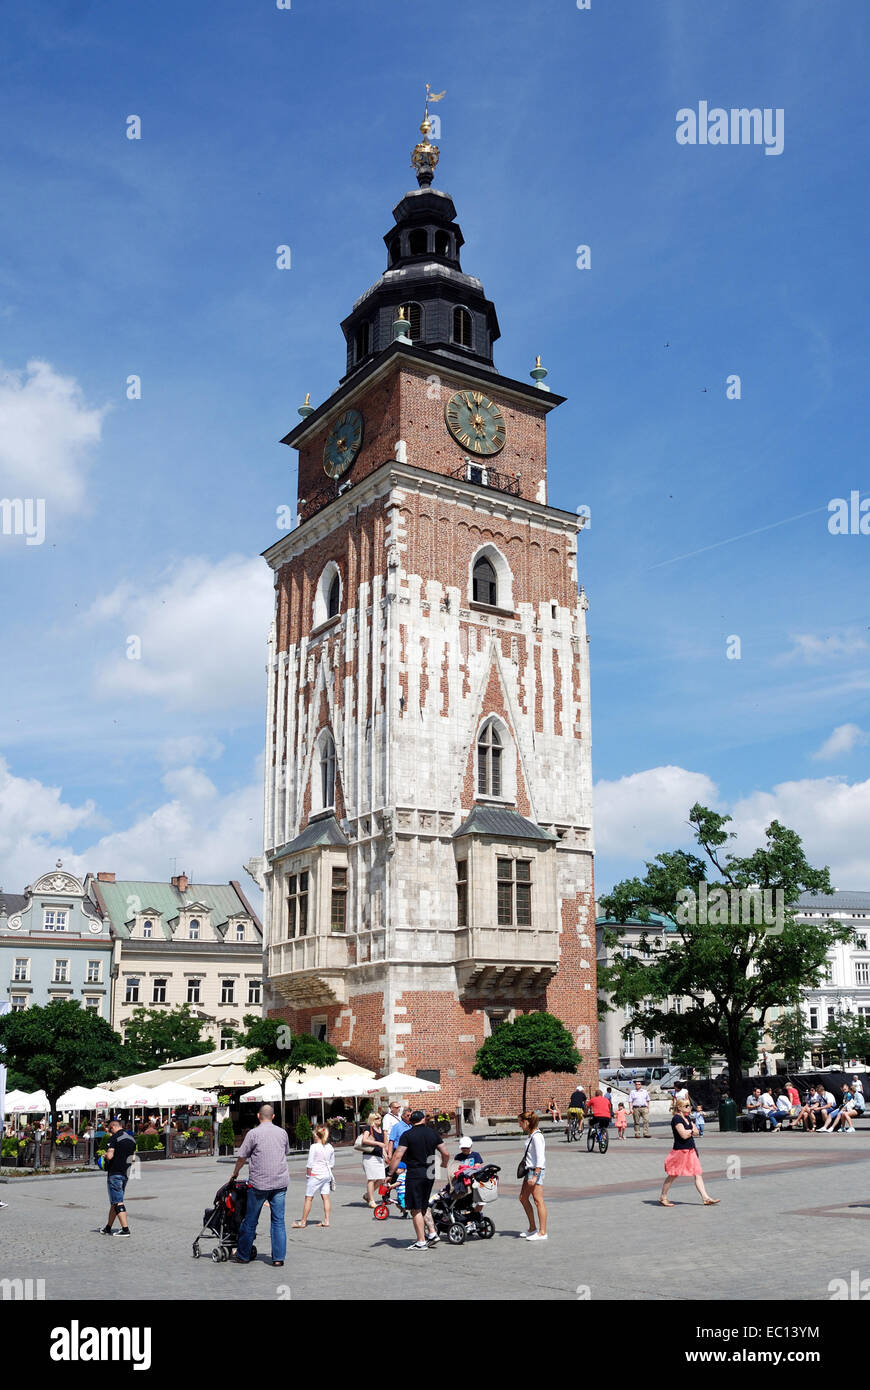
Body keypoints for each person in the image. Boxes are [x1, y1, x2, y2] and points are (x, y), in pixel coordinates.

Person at [229, 1103, 290, 1267]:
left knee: (250, 1220)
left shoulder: (253, 1134)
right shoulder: (282, 1132)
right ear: (274, 1117)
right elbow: (285, 1152)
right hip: (280, 1182)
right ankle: (278, 1258)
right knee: (278, 1221)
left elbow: (242, 1156)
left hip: (259, 1184)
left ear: (258, 1116)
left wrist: (235, 1172)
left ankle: (243, 1255)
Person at [387, 1109, 449, 1250]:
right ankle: (432, 1233)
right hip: (431, 1172)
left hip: (415, 1173)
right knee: (423, 1204)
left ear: (411, 1121)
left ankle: (421, 1241)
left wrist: (390, 1173)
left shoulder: (407, 1135)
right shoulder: (433, 1133)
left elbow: (398, 1155)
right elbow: (445, 1152)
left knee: (415, 1208)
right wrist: (444, 1163)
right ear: (423, 1119)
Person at [659, 1099, 720, 1207]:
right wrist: (691, 1131)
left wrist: (691, 1131)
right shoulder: (676, 1119)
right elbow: (683, 1135)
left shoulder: (687, 1118)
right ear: (679, 1108)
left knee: (698, 1173)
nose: (689, 1108)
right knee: (673, 1174)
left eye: (689, 1106)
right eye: (686, 1106)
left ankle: (705, 1198)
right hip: (680, 1151)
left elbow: (697, 1132)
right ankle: (663, 1197)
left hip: (691, 1150)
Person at [100, 1118, 136, 1237]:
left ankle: (125, 1229)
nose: (110, 1133)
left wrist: (104, 1155)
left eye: (110, 1130)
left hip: (115, 1173)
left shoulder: (114, 1138)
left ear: (113, 1127)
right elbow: (134, 1159)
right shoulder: (131, 1139)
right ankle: (108, 1228)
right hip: (125, 1173)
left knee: (118, 1202)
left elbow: (110, 1156)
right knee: (115, 1202)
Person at [293, 1125, 335, 1228]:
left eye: (314, 1135)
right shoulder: (330, 1147)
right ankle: (327, 1220)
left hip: (315, 1175)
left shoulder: (314, 1147)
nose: (313, 1137)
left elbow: (310, 1164)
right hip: (326, 1175)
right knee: (325, 1197)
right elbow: (332, 1164)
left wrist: (308, 1175)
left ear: (317, 1136)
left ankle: (303, 1222)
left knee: (308, 1198)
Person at [517, 1110, 547, 1241]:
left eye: (520, 1123)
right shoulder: (531, 1135)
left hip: (535, 1171)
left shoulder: (537, 1137)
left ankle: (542, 1232)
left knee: (538, 1200)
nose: (519, 1125)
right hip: (529, 1170)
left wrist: (535, 1175)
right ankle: (532, 1228)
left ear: (527, 1122)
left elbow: (540, 1158)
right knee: (523, 1198)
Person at [359, 1112, 386, 1209]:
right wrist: (378, 1143)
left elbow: (383, 1145)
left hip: (379, 1156)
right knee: (371, 1178)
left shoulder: (381, 1130)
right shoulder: (368, 1128)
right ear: (372, 1119)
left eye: (380, 1118)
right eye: (377, 1118)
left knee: (381, 1178)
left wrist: (386, 1156)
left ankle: (367, 1195)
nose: (379, 1119)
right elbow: (364, 1140)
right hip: (369, 1156)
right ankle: (371, 1200)